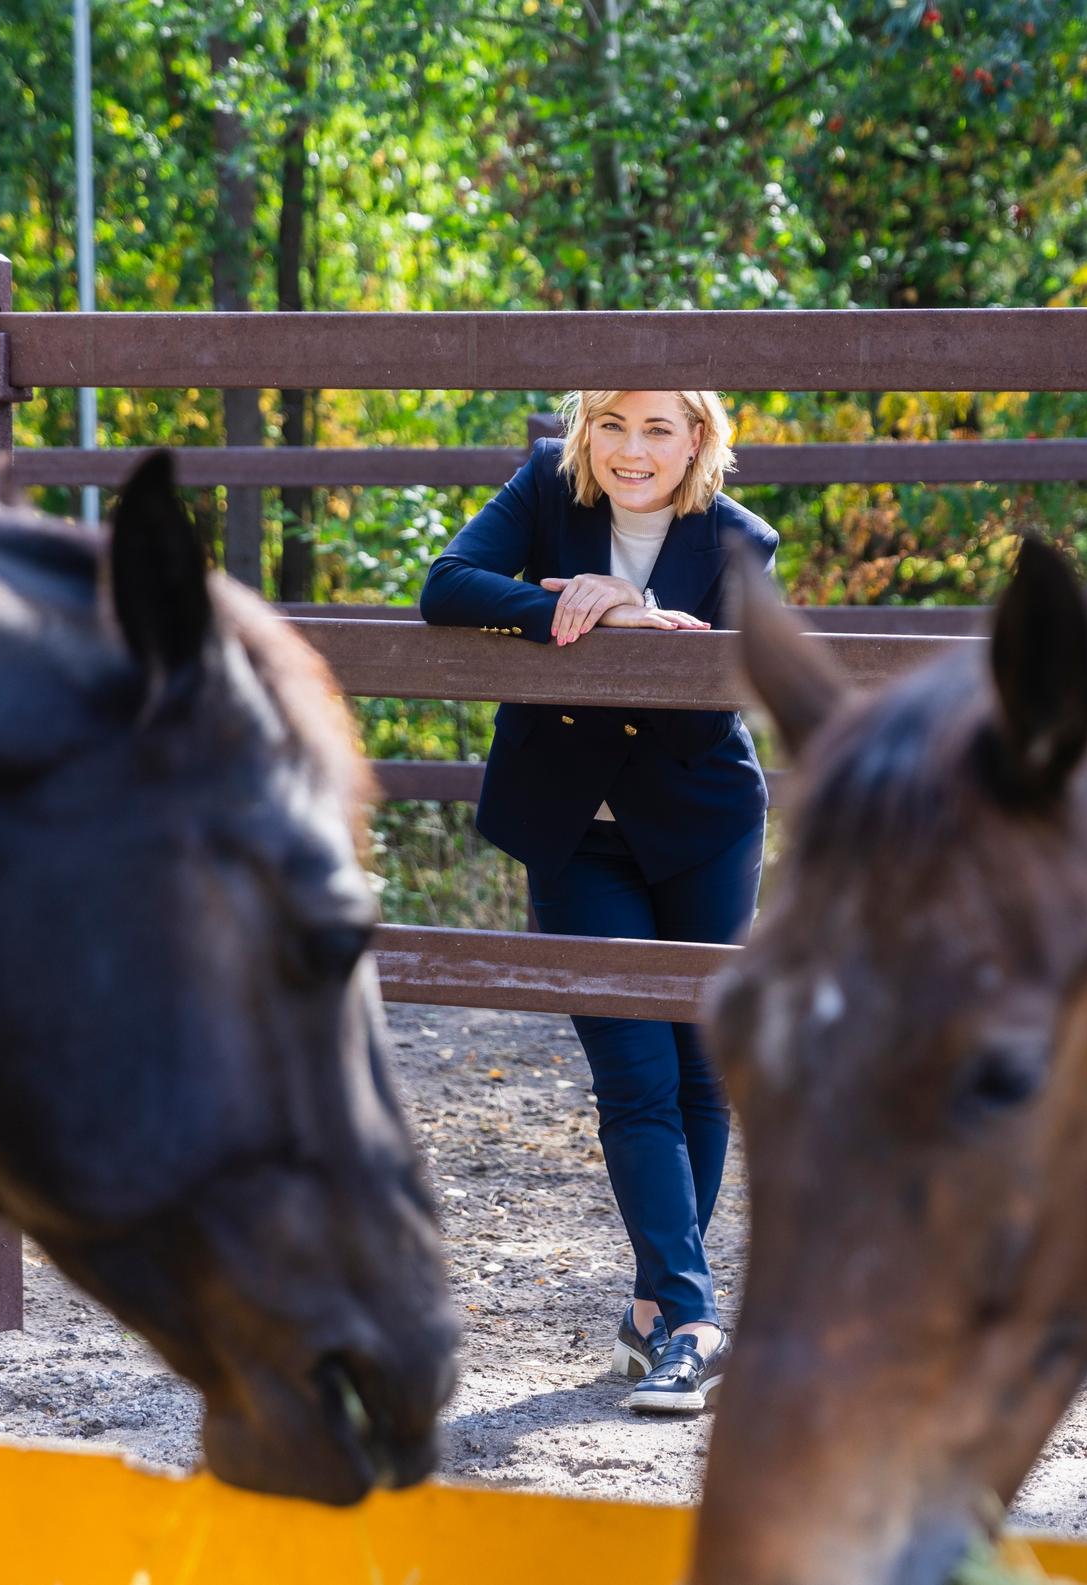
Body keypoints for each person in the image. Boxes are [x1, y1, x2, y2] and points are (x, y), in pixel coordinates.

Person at [418, 389, 774, 1414]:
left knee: (700, 1069)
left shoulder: (741, 538)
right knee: (633, 1073)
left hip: (698, 823)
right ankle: (697, 1319)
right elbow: (446, 587)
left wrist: (625, 639)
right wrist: (590, 605)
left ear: (699, 437)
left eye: (658, 427)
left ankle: (661, 1313)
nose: (631, 449)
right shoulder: (543, 486)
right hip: (571, 829)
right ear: (585, 429)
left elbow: (705, 715)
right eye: (612, 423)